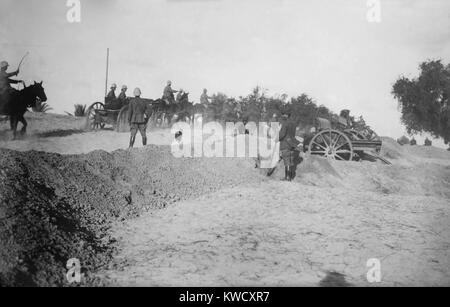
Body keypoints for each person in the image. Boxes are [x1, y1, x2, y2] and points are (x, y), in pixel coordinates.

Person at [279, 113, 301, 181]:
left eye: (283, 114)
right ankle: (290, 177)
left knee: (286, 161)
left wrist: (277, 138)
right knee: (290, 161)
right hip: (292, 144)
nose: (282, 116)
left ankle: (287, 177)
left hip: (285, 143)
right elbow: (293, 135)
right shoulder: (293, 124)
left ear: (286, 115)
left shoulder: (285, 123)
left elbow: (282, 134)